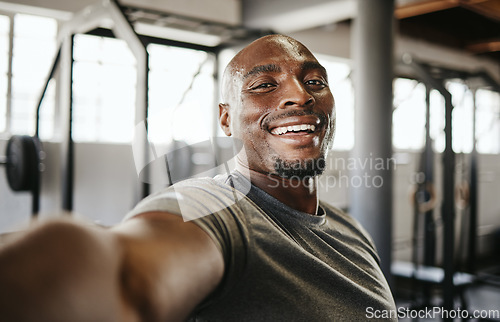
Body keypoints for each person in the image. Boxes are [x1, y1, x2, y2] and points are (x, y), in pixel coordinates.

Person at [0, 34, 396, 321]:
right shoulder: (215, 212)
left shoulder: (349, 228)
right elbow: (123, 280)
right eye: (263, 85)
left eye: (314, 82)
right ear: (227, 119)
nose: (299, 95)